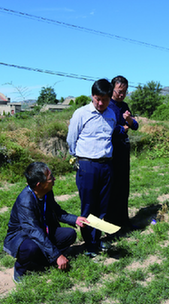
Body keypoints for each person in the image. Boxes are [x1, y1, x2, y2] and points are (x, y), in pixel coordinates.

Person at [3, 162, 88, 282]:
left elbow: (58, 212)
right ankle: (20, 269)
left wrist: (75, 219)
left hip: (41, 230)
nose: (54, 179)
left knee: (70, 234)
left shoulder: (47, 192)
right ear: (40, 185)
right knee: (31, 248)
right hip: (22, 236)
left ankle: (42, 260)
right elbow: (33, 231)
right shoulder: (25, 201)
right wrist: (57, 255)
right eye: (50, 178)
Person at [67, 78, 119, 257]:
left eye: (104, 99)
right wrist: (80, 158)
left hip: (106, 165)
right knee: (89, 205)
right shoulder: (81, 114)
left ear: (109, 98)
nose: (100, 103)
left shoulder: (112, 114)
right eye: (97, 98)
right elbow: (71, 140)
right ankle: (89, 245)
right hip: (87, 165)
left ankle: (97, 240)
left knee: (103, 206)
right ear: (92, 96)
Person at [104, 75, 139, 228]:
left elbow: (135, 125)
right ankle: (111, 222)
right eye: (119, 91)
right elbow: (106, 129)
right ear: (112, 89)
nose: (122, 94)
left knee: (124, 185)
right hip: (111, 151)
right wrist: (122, 129)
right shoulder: (107, 105)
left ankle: (124, 220)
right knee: (112, 186)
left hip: (123, 149)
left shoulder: (124, 105)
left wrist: (130, 121)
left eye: (124, 91)